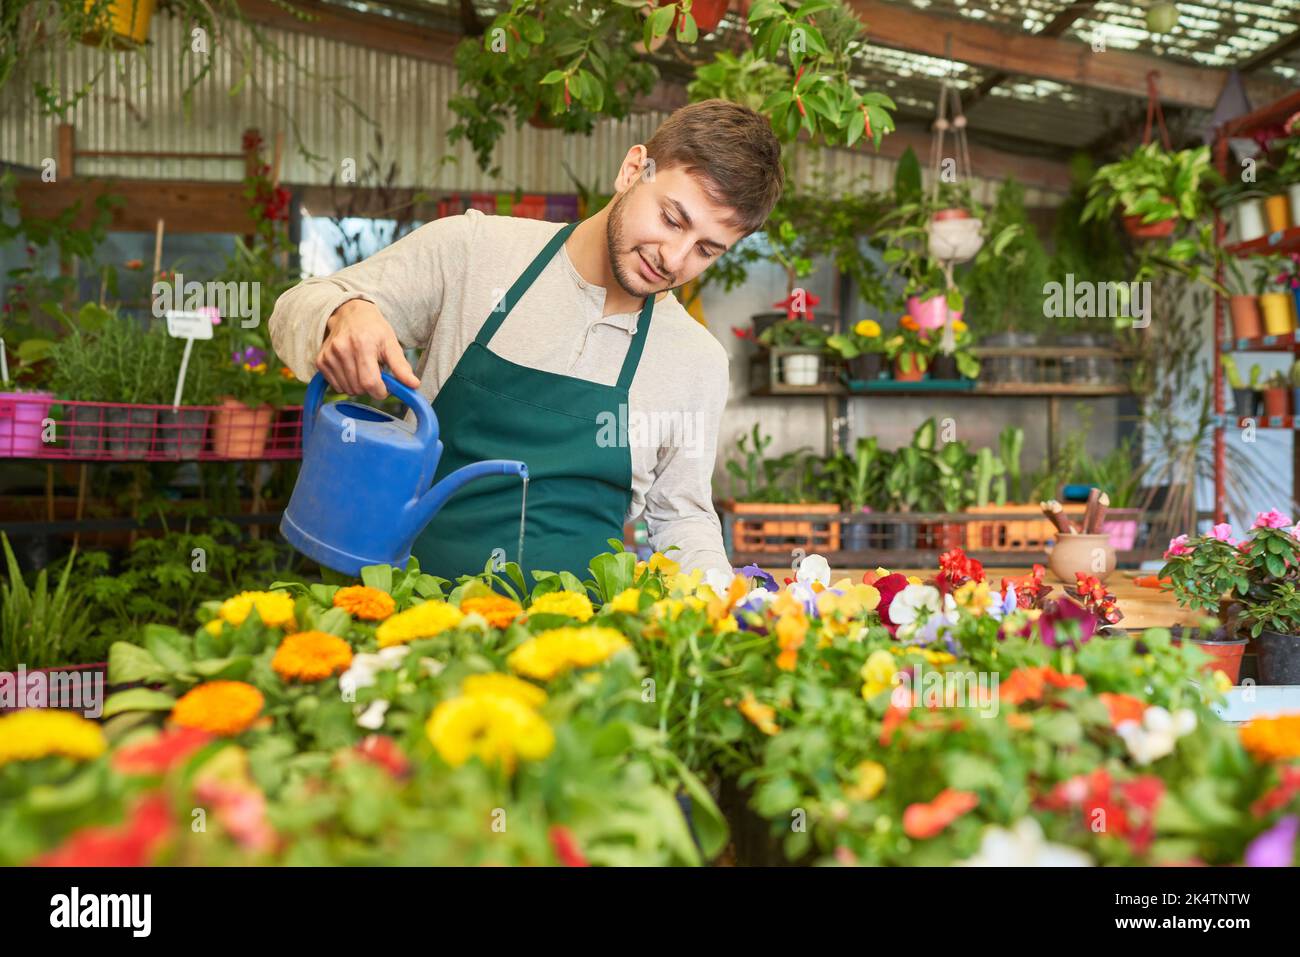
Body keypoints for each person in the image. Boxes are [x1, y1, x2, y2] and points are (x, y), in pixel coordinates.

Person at [269, 99, 784, 582]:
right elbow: (298, 305)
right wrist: (346, 311)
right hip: (407, 621)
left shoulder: (696, 361)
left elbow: (682, 517)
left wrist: (723, 606)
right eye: (672, 219)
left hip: (578, 649)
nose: (674, 259)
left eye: (706, 250)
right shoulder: (476, 252)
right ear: (632, 171)